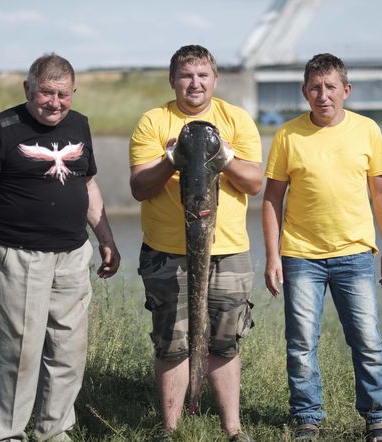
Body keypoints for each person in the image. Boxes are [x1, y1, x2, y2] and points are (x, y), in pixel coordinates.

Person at [0, 53, 120, 442]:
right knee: (21, 350)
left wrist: (106, 239)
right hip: (21, 254)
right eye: (46, 93)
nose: (54, 103)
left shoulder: (80, 125)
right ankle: (8, 434)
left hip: (74, 254)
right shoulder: (0, 129)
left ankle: (53, 430)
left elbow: (88, 184)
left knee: (69, 348)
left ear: (73, 93)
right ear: (28, 89)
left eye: (63, 95)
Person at [129, 45, 262, 441]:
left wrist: (224, 157)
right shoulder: (153, 121)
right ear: (173, 81)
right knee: (172, 341)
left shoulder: (236, 119)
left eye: (203, 75)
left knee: (225, 338)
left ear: (215, 80)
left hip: (229, 250)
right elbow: (139, 187)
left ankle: (233, 430)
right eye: (186, 75)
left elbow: (255, 183)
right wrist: (174, 159)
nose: (195, 83)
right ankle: (169, 429)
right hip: (167, 250)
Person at [262, 53, 382, 442]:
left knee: (367, 341)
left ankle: (376, 420)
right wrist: (273, 256)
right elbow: (271, 199)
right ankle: (306, 418)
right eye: (316, 88)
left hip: (355, 253)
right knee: (301, 343)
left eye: (331, 87)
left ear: (346, 90)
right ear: (305, 92)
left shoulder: (367, 130)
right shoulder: (287, 135)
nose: (324, 95)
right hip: (301, 254)